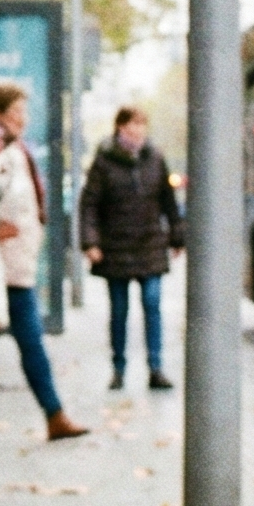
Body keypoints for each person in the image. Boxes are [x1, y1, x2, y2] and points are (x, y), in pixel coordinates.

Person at [0, 81, 85, 439]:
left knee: (5, 339)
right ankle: (52, 413)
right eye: (18, 111)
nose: (24, 119)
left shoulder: (15, 148)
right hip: (1, 267)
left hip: (16, 265)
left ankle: (54, 414)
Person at [80, 106, 181, 391]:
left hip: (149, 244)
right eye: (132, 126)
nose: (137, 132)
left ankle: (156, 367)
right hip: (115, 246)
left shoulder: (155, 158)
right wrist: (91, 242)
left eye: (141, 126)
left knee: (152, 304)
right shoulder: (104, 162)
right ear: (120, 128)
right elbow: (89, 204)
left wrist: (177, 236)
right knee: (119, 310)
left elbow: (168, 201)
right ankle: (119, 367)